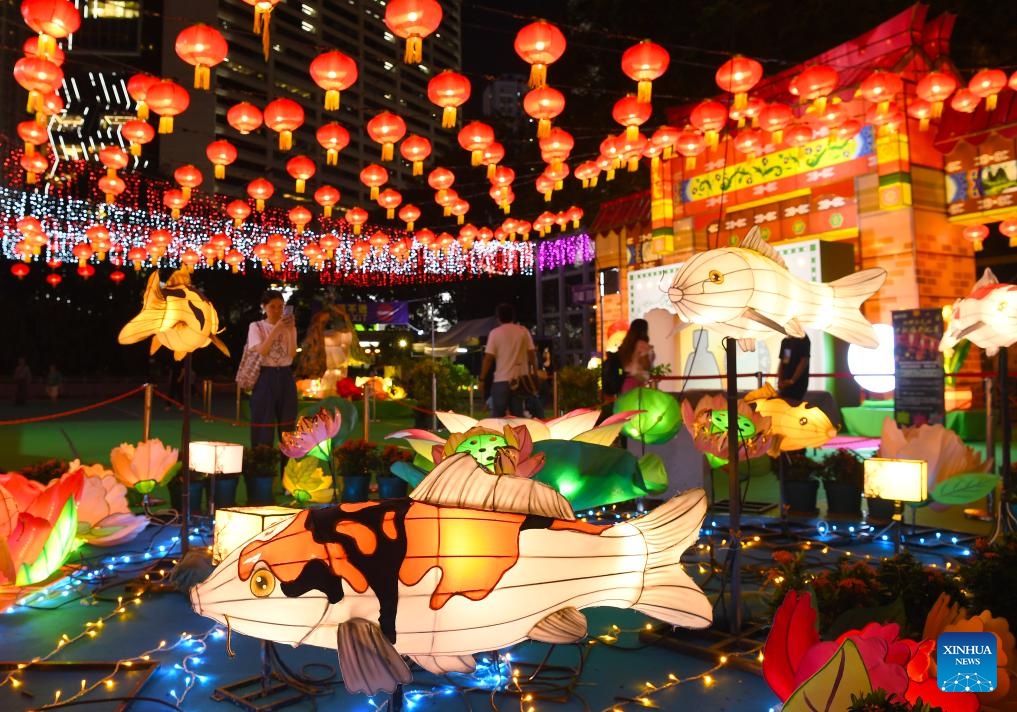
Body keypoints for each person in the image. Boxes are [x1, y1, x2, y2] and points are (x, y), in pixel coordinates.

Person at [247, 290, 298, 448]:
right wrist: (277, 328)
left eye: (281, 307)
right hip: (265, 374)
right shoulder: (256, 327)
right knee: (263, 421)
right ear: (264, 307)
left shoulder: (290, 327)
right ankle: (262, 462)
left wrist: (289, 330)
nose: (277, 310)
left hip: (285, 374)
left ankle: (288, 466)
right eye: (272, 306)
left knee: (288, 422)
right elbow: (262, 350)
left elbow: (291, 353)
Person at [479, 303, 544, 418]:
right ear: (513, 317)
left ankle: (499, 434)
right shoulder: (523, 331)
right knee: (518, 415)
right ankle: (517, 435)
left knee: (498, 416)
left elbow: (488, 358)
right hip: (520, 380)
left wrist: (482, 379)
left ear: (498, 318)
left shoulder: (495, 333)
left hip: (501, 380)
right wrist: (534, 371)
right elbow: (532, 354)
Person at [617, 318, 654, 394]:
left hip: (625, 381)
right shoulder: (642, 345)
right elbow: (645, 364)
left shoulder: (626, 345)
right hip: (638, 382)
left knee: (627, 405)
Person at [777, 334, 811, 404]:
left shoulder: (803, 339)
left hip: (797, 384)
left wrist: (792, 380)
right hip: (786, 383)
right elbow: (784, 361)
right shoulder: (786, 341)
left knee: (793, 405)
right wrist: (780, 381)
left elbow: (804, 361)